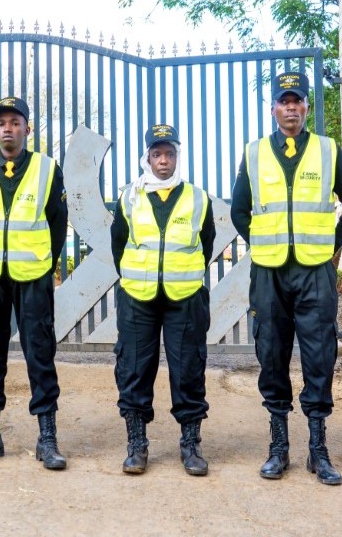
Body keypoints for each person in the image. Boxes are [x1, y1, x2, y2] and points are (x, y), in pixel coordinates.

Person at [231, 71, 342, 485]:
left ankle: (318, 451)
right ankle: (278, 449)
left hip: (314, 273)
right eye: (284, 100)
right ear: (273, 108)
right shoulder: (254, 153)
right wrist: (264, 243)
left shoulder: (327, 151)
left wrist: (329, 246)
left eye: (298, 100)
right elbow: (240, 211)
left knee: (319, 357)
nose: (291, 107)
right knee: (271, 355)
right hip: (270, 274)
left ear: (307, 107)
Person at [0, 96, 69, 470]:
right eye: (1, 122)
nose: (8, 128)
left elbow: (57, 223)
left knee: (40, 354)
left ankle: (47, 438)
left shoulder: (47, 168)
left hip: (33, 276)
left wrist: (42, 261)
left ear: (27, 128)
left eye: (15, 122)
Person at [110, 123, 215, 477]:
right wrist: (134, 276)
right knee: (135, 369)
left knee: (187, 369)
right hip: (138, 297)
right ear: (148, 158)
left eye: (170, 154)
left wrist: (181, 271)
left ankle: (190, 444)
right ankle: (137, 445)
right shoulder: (130, 197)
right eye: (157, 154)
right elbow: (118, 243)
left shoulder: (197, 197)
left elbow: (208, 244)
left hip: (184, 297)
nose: (164, 161)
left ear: (177, 156)